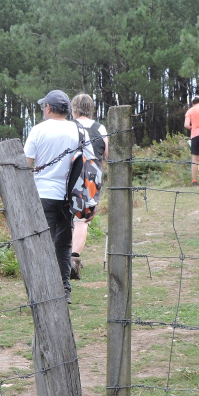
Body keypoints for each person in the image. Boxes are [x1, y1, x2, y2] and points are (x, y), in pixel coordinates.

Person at [23, 89, 95, 305]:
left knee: (40, 244)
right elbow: (90, 163)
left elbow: (26, 163)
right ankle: (64, 290)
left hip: (42, 195)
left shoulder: (38, 130)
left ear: (48, 108)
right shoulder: (79, 131)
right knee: (63, 245)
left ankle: (40, 292)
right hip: (68, 197)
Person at [69, 93, 108, 281]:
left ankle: (66, 256)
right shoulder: (99, 128)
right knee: (82, 219)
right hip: (92, 174)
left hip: (69, 171)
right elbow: (108, 153)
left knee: (67, 214)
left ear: (74, 108)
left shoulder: (68, 126)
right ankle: (74, 258)